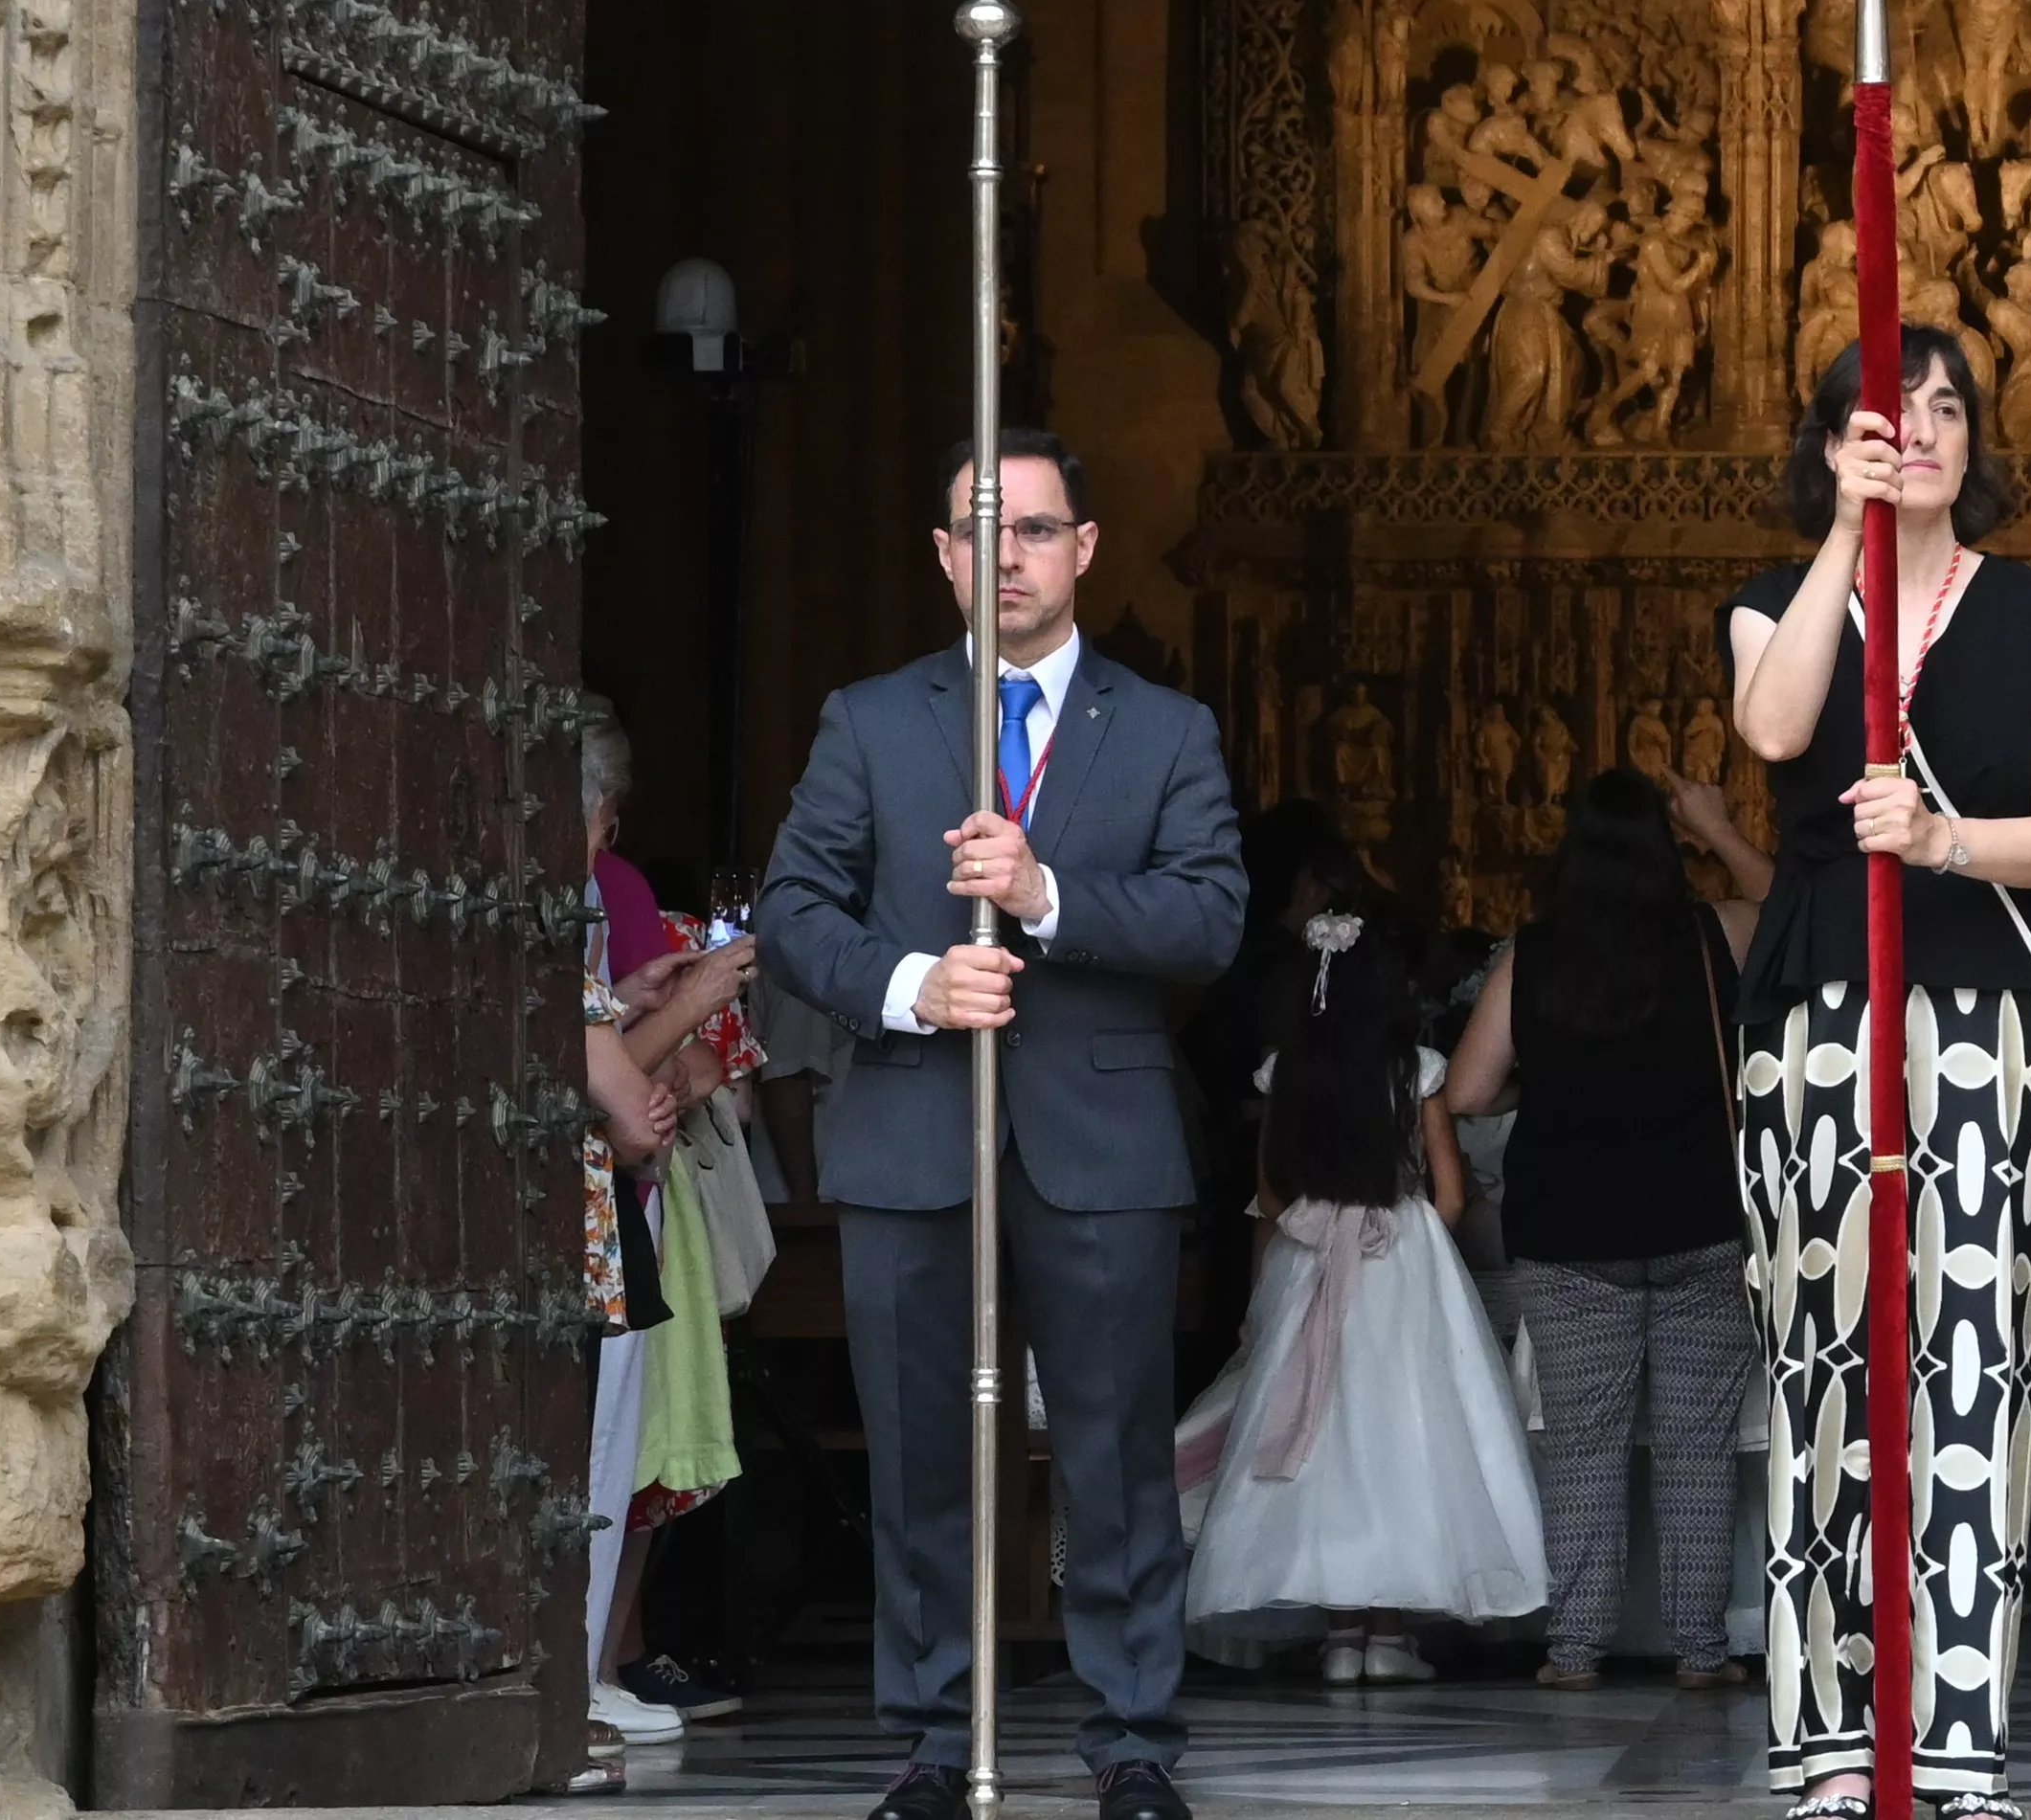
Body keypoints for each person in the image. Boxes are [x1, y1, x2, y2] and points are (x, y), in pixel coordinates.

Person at [758, 429, 1249, 1820]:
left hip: (1099, 1145)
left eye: (1036, 530)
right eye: (982, 531)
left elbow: (1211, 915)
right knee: (918, 1450)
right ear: (943, 553)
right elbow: (795, 913)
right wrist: (912, 981)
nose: (1009, 556)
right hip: (913, 1128)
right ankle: (925, 1736)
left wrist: (1045, 897)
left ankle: (1134, 1738)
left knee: (1112, 1448)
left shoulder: (1164, 730)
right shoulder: (873, 717)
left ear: (1084, 547)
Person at [1722, 330, 2031, 1820]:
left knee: (1972, 1367)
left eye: (1951, 408)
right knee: (1822, 1365)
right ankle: (1829, 1741)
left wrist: (1944, 842)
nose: (1926, 433)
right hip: (1819, 1014)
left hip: (1976, 1016)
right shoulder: (1776, 601)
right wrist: (1846, 535)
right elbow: (1771, 727)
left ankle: (1957, 1745)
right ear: (1833, 441)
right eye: (1891, 415)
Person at [1440, 769, 1771, 1691]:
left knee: (1584, 1441)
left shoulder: (1532, 958)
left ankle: (1576, 1647)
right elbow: (1796, 911)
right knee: (1696, 1444)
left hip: (1573, 1231)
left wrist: (1538, 1082)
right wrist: (1718, 826)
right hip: (1701, 1220)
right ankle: (1701, 1650)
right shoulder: (1716, 938)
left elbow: (1465, 1092)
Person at [1177, 901, 1546, 1675]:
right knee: (1405, 1433)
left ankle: (1342, 1634)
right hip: (1400, 1253)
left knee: (1320, 1433)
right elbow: (1450, 1191)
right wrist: (1417, 1244)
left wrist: (1300, 1246)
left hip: (1308, 1259)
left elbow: (1271, 1196)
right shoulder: (1417, 1070)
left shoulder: (1287, 1071)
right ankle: (1389, 1634)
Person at [574, 708, 756, 1770]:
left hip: (594, 1206)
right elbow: (630, 1091)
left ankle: (578, 1676)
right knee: (587, 1453)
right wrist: (687, 1006)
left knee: (596, 1453)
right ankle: (571, 1680)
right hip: (588, 1211)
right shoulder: (557, 896)